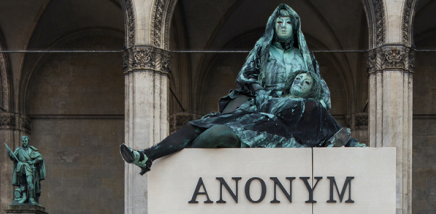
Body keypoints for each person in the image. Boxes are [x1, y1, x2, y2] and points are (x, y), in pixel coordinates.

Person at [118, 70, 357, 173]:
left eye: (306, 83)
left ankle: (180, 168)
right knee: (197, 125)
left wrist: (353, 144)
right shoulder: (271, 98)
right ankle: (147, 155)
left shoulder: (312, 106)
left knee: (215, 135)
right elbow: (247, 81)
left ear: (311, 91)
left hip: (273, 136)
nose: (300, 82)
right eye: (299, 78)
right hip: (251, 123)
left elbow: (334, 132)